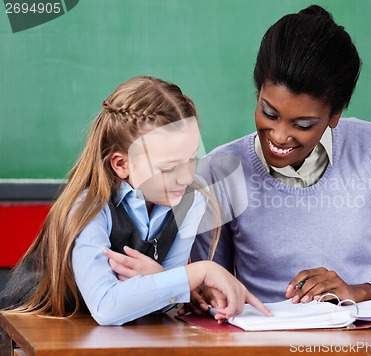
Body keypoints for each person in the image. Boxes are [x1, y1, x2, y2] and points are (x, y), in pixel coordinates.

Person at [186, 5, 371, 311]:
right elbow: (213, 290)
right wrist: (207, 298)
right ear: (258, 91)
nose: (279, 135)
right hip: (266, 342)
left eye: (303, 125)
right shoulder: (220, 171)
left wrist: (360, 292)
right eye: (268, 112)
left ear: (335, 115)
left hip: (368, 343)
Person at [0, 76, 270, 326]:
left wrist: (163, 281)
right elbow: (107, 305)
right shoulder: (88, 206)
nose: (186, 178)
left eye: (191, 160)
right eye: (167, 169)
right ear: (122, 164)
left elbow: (161, 300)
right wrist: (198, 273)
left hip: (100, 336)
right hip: (32, 332)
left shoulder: (190, 202)